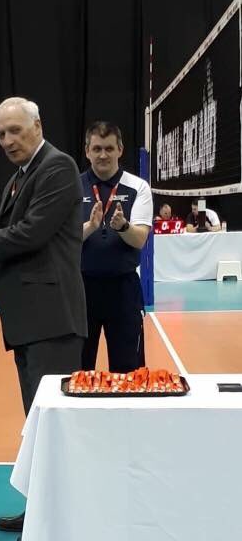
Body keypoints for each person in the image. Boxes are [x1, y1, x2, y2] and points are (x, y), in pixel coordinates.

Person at [0, 96, 87, 537]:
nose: (8, 140)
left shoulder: (57, 167)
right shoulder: (20, 178)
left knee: (53, 427)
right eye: (2, 134)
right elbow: (18, 247)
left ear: (38, 125)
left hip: (52, 320)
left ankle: (58, 525)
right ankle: (44, 515)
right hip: (30, 322)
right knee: (39, 424)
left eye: (15, 130)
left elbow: (32, 233)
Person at [81, 121, 153, 374]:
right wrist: (90, 226)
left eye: (109, 148)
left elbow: (140, 239)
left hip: (123, 290)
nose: (103, 155)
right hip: (81, 289)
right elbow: (63, 241)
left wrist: (123, 226)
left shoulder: (138, 187)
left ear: (120, 150)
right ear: (87, 151)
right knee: (78, 371)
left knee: (128, 372)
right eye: (97, 148)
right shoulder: (71, 187)